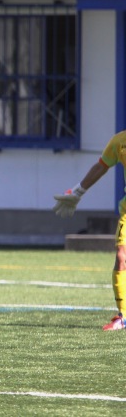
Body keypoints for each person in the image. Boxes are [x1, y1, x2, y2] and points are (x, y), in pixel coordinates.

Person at [53, 130, 126, 331]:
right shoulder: (119, 141)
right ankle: (124, 316)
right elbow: (101, 167)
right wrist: (77, 192)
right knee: (121, 257)